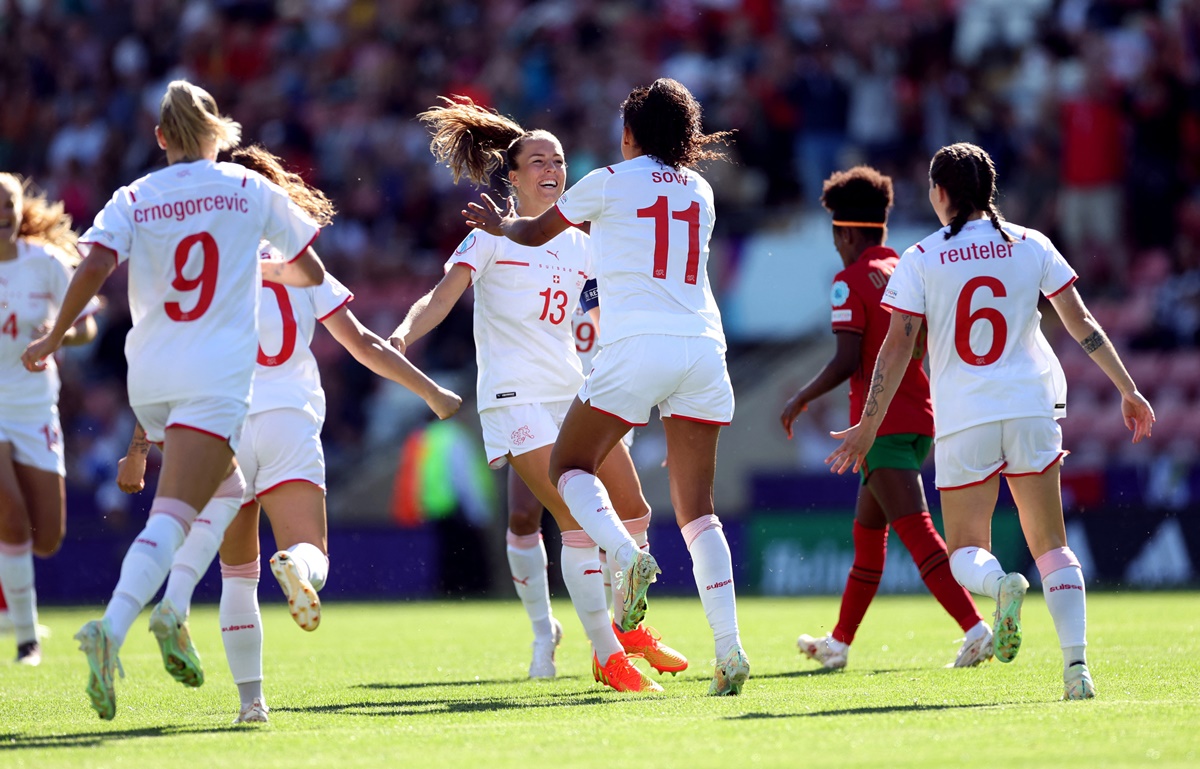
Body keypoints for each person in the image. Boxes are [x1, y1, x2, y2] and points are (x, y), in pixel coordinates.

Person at [115, 145, 461, 723]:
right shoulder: (300, 261)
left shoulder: (196, 267)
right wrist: (431, 391)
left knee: (237, 574)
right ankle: (299, 568)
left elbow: (164, 363)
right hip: (287, 419)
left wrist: (137, 447)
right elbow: (364, 344)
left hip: (218, 426)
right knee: (311, 551)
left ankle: (252, 704)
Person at [22, 80, 327, 720]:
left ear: (160, 137)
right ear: (219, 135)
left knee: (226, 489)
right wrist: (263, 269)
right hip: (214, 376)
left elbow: (94, 266)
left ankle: (172, 606)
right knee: (171, 516)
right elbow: (312, 273)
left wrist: (55, 334)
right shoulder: (250, 189)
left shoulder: (134, 196)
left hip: (150, 378)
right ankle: (112, 627)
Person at [826, 142, 1155, 701]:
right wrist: (1129, 388)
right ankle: (1077, 672)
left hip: (965, 419)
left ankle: (1000, 584)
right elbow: (1082, 324)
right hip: (1031, 407)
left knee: (964, 553)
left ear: (941, 193)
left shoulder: (923, 257)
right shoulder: (1032, 244)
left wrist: (867, 424)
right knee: (1053, 544)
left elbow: (896, 351)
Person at [463, 78, 750, 696]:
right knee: (699, 514)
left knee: (571, 465)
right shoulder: (700, 189)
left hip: (635, 348)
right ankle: (728, 651)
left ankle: (623, 557)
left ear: (628, 135)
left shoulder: (609, 180)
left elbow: (536, 233)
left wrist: (500, 225)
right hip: (704, 346)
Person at [392, 97, 684, 692]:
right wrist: (403, 333)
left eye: (560, 159)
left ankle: (628, 630)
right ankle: (607, 653)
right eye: (539, 160)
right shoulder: (489, 238)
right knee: (574, 522)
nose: (553, 167)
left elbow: (606, 312)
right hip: (514, 398)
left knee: (636, 510)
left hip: (575, 392)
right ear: (515, 174)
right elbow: (441, 298)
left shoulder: (583, 241)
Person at [780, 166, 990, 670]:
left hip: (880, 426)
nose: (835, 245)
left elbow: (849, 360)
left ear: (846, 233)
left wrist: (802, 397)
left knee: (918, 536)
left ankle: (977, 628)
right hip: (920, 418)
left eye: (835, 235)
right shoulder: (906, 269)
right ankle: (839, 643)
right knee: (868, 543)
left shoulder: (849, 282)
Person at [0, 173, 99, 666]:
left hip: (35, 405)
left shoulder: (45, 264)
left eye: (7, 204)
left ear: (20, 211)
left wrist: (58, 335)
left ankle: (8, 593)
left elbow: (87, 326)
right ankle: (25, 638)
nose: (0, 212)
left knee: (47, 536)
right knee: (11, 517)